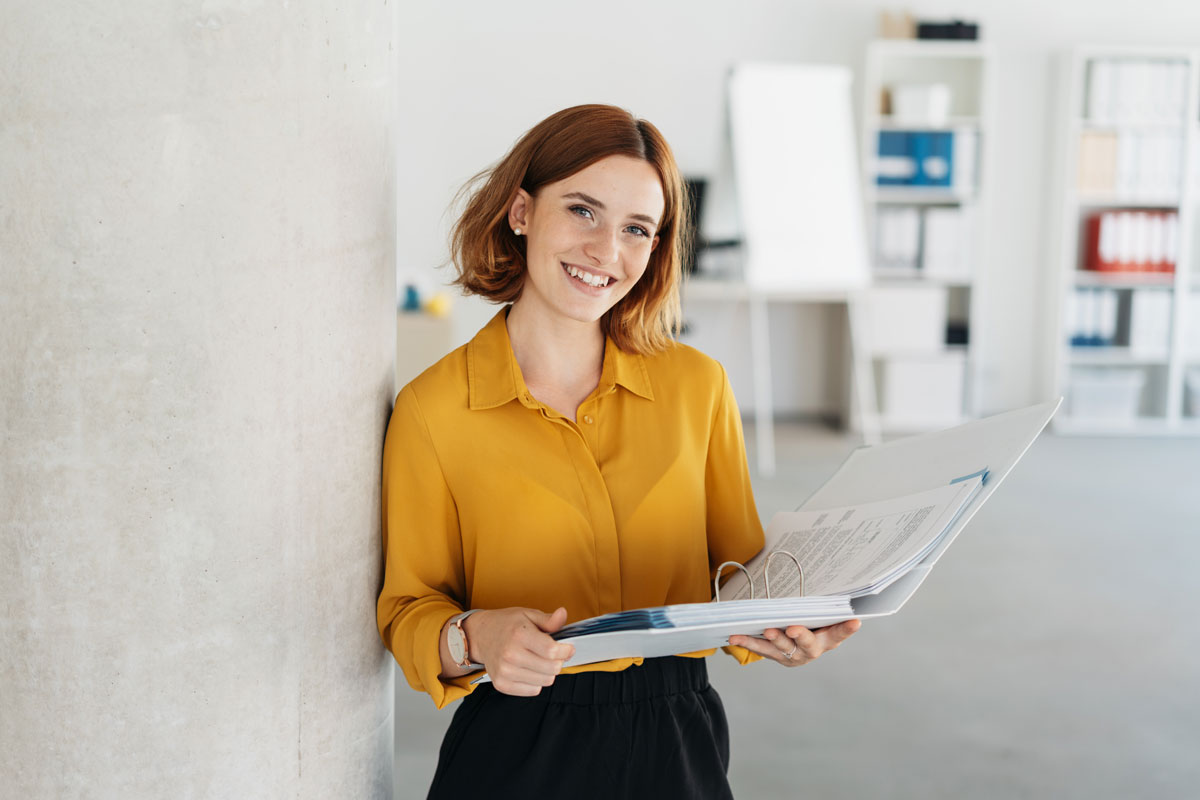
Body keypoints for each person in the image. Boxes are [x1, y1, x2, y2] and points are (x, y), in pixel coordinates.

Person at [376, 104, 861, 798]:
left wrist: (785, 625)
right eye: (582, 211)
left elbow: (739, 576)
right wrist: (478, 636)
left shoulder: (699, 387)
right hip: (514, 743)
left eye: (637, 229)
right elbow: (406, 609)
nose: (607, 251)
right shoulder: (434, 410)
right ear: (521, 212)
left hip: (678, 738)